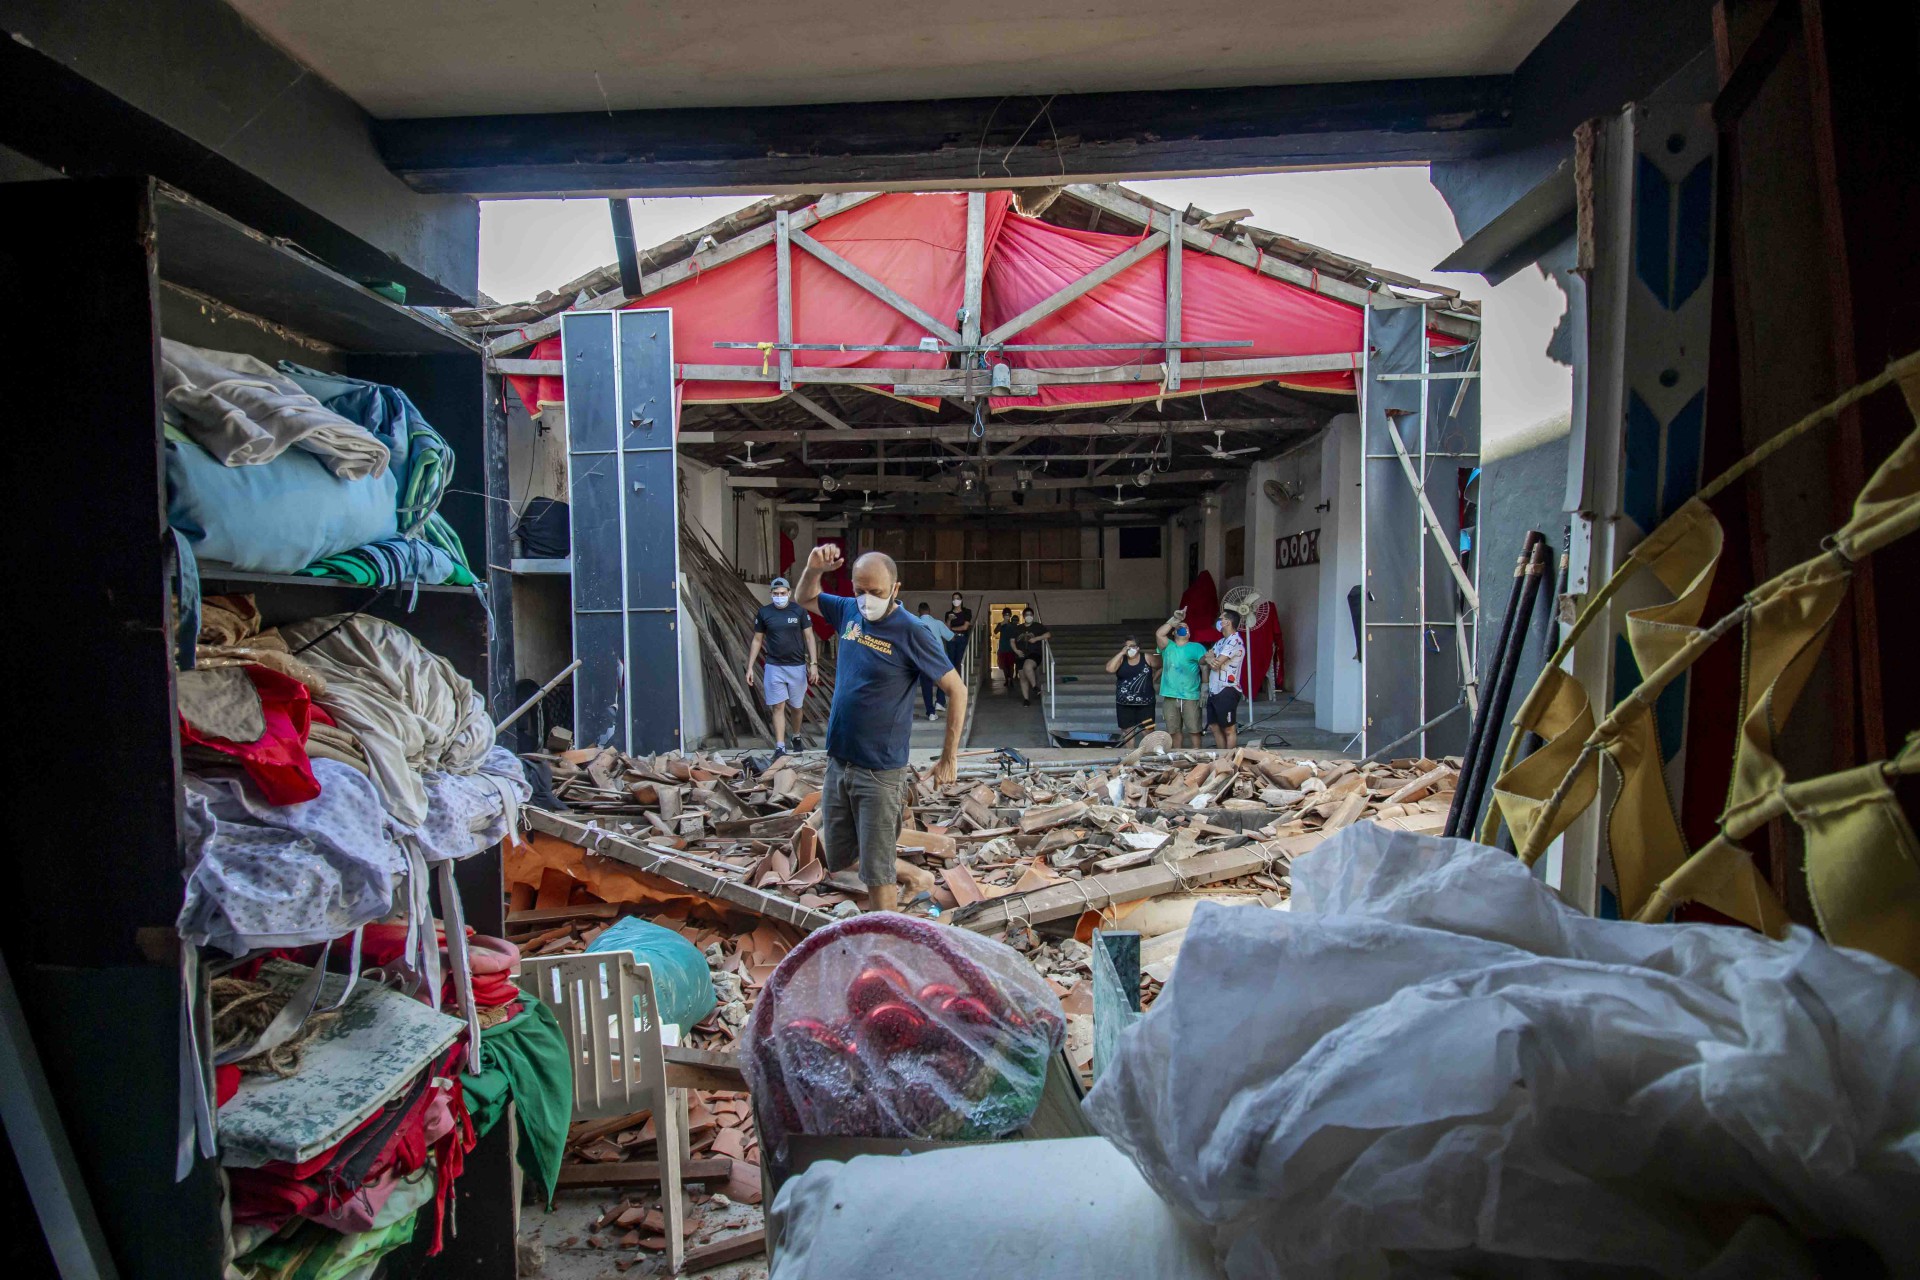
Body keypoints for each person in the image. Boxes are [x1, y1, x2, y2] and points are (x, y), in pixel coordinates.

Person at [796, 545, 967, 913]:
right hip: (839, 762)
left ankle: (884, 948)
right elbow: (804, 596)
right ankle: (915, 877)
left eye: (875, 591)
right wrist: (813, 569)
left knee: (877, 877)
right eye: (860, 590)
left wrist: (948, 757)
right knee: (840, 858)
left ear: (895, 589)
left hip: (879, 771)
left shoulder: (913, 631)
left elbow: (957, 689)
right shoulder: (848, 612)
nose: (866, 599)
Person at [746, 575, 819, 757]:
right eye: (776, 593)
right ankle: (780, 746)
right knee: (778, 707)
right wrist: (750, 667)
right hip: (774, 666)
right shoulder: (764, 613)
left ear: (789, 593)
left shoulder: (799, 611)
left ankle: (795, 735)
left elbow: (809, 637)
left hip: (797, 666)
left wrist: (814, 664)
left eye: (783, 593)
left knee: (796, 707)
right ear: (771, 594)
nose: (779, 596)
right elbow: (757, 640)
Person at [1153, 608, 1206, 748]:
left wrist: (1205, 687)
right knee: (1174, 731)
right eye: (1180, 627)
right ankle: (1177, 756)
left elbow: (1205, 667)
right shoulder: (1167, 646)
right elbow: (1159, 633)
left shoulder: (1197, 647)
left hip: (1191, 695)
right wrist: (1174, 620)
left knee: (1194, 730)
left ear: (1190, 633)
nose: (1183, 629)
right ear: (1173, 632)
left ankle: (1197, 755)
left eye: (1186, 627)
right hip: (1170, 695)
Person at [1204, 609, 1247, 749]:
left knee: (1229, 728)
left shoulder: (1235, 641)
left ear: (1227, 622)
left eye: (1221, 619)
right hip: (1214, 689)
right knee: (1214, 726)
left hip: (1227, 689)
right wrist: (1210, 658)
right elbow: (1206, 659)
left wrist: (1211, 658)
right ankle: (1221, 758)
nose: (1219, 621)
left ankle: (1230, 761)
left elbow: (1215, 664)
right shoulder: (1221, 641)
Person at [1104, 637, 1158, 734]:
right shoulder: (1121, 659)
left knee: (1148, 730)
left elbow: (1163, 666)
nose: (1129, 649)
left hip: (1146, 703)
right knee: (1127, 731)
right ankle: (1129, 750)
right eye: (1126, 647)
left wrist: (1154, 679)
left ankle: (1148, 749)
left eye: (1132, 646)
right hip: (1124, 703)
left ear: (1138, 648)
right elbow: (1109, 669)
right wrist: (1121, 653)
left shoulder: (1147, 657)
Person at [911, 602, 955, 721]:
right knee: (943, 680)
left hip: (922, 659)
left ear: (919, 612)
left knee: (926, 685)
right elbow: (951, 637)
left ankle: (930, 712)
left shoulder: (914, 624)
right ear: (929, 611)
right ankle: (940, 701)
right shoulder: (938, 623)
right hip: (938, 658)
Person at [1011, 608, 1051, 707]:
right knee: (1023, 678)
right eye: (1027, 614)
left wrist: (1037, 638)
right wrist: (1016, 650)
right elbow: (1012, 640)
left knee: (1027, 666)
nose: (1029, 616)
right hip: (1020, 655)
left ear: (1033, 616)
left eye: (1031, 614)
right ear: (1024, 616)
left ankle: (1034, 687)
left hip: (1034, 653)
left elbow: (1048, 634)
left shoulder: (1038, 626)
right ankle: (1026, 699)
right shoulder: (1018, 628)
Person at [942, 593, 973, 695]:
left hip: (961, 639)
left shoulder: (967, 612)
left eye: (958, 598)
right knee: (951, 661)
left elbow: (965, 627)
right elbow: (946, 628)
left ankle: (959, 684)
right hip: (951, 639)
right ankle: (951, 684)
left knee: (959, 661)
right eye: (954, 599)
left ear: (961, 600)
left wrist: (952, 629)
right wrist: (949, 620)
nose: (956, 600)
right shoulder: (948, 613)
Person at [995, 607, 1019, 691]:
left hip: (1011, 648)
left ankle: (1011, 680)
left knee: (1011, 665)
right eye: (1005, 615)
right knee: (1004, 666)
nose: (1007, 616)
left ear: (1010, 615)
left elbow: (1017, 634)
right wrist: (1002, 623)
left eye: (1008, 615)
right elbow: (995, 631)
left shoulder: (1013, 625)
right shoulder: (1000, 624)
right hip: (1002, 648)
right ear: (1003, 615)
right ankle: (1006, 679)